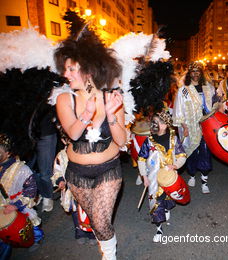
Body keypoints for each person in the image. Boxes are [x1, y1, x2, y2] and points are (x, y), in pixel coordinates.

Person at [52, 17, 126, 259]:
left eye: (72, 68)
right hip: (77, 173)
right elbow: (73, 133)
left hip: (108, 169)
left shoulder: (111, 97)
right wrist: (85, 115)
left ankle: (109, 253)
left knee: (102, 221)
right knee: (94, 220)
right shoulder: (65, 99)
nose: (66, 73)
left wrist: (113, 115)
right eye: (65, 68)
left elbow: (122, 140)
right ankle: (106, 243)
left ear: (89, 70)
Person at [137, 110, 186, 242]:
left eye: (159, 122)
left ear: (165, 124)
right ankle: (159, 228)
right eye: (155, 122)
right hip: (154, 180)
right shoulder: (149, 141)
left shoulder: (174, 139)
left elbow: (182, 156)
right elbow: (141, 159)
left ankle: (167, 208)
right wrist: (144, 176)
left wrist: (175, 166)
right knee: (155, 202)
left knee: (168, 197)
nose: (156, 124)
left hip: (169, 177)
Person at [172, 62, 217, 194]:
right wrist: (184, 126)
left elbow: (214, 104)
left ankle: (204, 180)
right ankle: (191, 175)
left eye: (198, 72)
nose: (196, 74)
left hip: (206, 125)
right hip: (190, 126)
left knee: (205, 152)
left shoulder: (208, 88)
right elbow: (178, 109)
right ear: (189, 73)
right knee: (191, 151)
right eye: (193, 72)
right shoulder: (183, 90)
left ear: (201, 73)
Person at [0, 134, 44, 257]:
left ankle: (35, 239)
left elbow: (31, 190)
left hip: (20, 203)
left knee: (30, 223)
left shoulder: (22, 169)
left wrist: (16, 205)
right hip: (2, 205)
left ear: (8, 153)